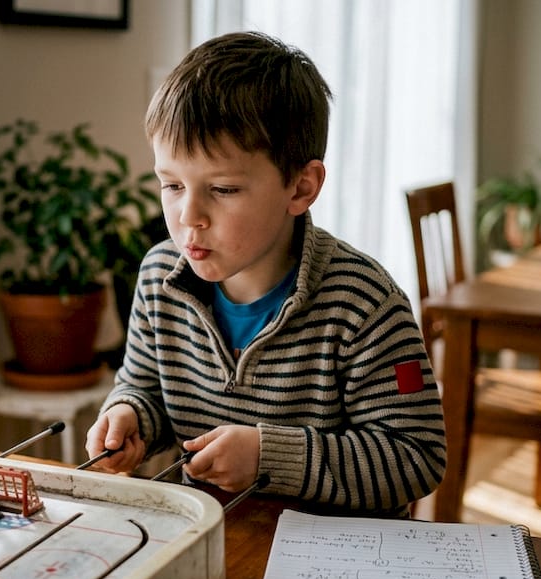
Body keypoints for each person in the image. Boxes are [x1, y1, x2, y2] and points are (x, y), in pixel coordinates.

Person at [84, 31, 445, 515]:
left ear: (300, 187)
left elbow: (416, 457)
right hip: (209, 541)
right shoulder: (157, 279)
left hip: (337, 563)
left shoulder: (364, 304)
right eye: (171, 184)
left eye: (224, 189)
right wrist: (130, 417)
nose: (189, 215)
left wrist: (269, 458)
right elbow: (143, 386)